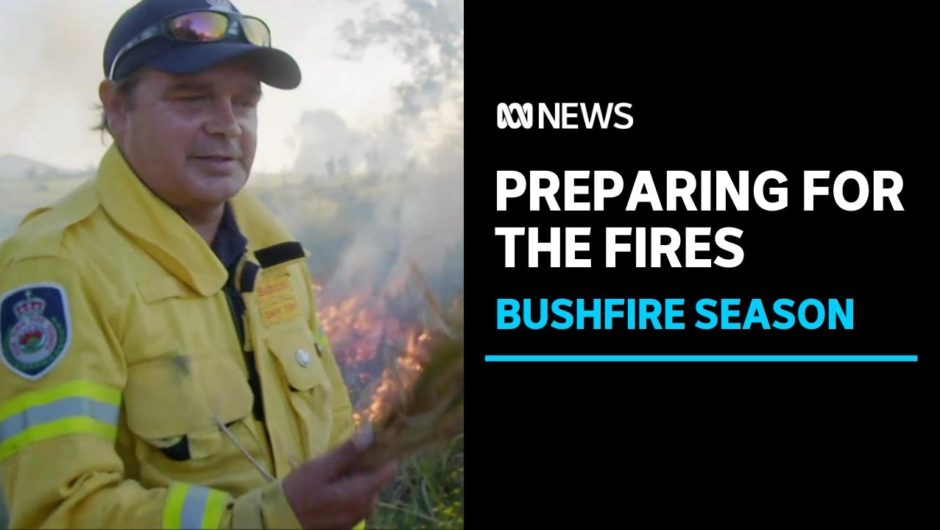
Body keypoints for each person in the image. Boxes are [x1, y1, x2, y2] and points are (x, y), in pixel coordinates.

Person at [0, 0, 396, 528]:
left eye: (246, 103)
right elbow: (60, 511)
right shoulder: (57, 268)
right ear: (118, 109)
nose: (228, 126)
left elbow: (331, 449)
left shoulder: (275, 253)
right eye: (193, 99)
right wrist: (267, 520)